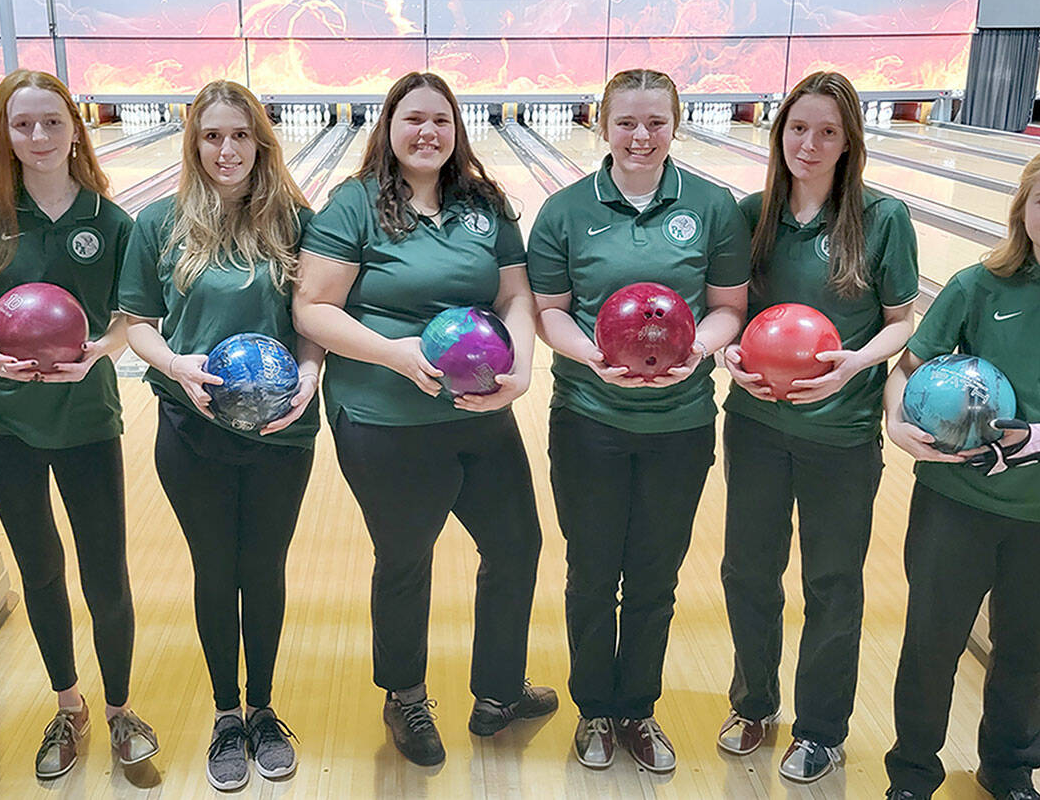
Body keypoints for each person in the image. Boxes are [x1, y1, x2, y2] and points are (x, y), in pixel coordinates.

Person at [293, 71, 557, 767]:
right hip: (385, 420)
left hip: (478, 411)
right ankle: (406, 696)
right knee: (407, 561)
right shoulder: (352, 205)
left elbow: (515, 296)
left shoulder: (484, 205)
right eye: (413, 118)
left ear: (456, 129)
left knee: (516, 546)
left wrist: (522, 370)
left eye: (441, 119)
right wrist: (393, 352)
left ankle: (498, 688)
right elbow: (312, 309)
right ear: (389, 126)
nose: (427, 132)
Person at [527, 68, 749, 772]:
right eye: (627, 122)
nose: (641, 136)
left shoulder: (714, 207)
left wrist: (699, 351)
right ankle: (594, 709)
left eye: (656, 121)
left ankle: (639, 712)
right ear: (602, 124)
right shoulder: (564, 211)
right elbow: (549, 312)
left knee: (655, 577)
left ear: (676, 123)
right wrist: (593, 356)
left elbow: (727, 306)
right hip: (589, 418)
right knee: (592, 572)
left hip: (680, 423)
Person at [0, 69, 156, 779]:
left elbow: (131, 318)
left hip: (87, 413)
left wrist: (99, 350)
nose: (38, 136)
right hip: (2, 420)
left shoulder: (112, 221)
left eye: (51, 122)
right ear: (3, 133)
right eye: (22, 124)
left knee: (105, 571)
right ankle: (70, 707)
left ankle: (123, 709)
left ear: (76, 127)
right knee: (40, 568)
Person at [715, 71, 919, 782]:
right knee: (748, 571)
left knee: (833, 581)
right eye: (799, 128)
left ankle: (823, 728)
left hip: (842, 433)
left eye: (827, 131)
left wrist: (855, 362)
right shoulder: (749, 214)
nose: (810, 143)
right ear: (779, 133)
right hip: (756, 425)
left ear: (848, 142)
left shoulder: (883, 217)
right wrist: (730, 353)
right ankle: (754, 702)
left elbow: (901, 325)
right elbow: (726, 311)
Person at [120, 80, 320, 791]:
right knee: (215, 568)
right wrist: (175, 364)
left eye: (240, 136)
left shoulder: (297, 220)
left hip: (282, 427)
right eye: (212, 136)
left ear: (261, 142)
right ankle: (224, 715)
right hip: (189, 422)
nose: (226, 149)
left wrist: (312, 373)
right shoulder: (158, 223)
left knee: (262, 567)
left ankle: (263, 708)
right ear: (193, 142)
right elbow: (138, 323)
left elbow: (315, 316)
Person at [882, 145, 1040, 800]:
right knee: (930, 647)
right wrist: (897, 424)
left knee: (1025, 655)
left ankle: (1010, 772)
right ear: (1022, 209)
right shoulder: (976, 285)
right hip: (957, 500)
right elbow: (909, 370)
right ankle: (912, 776)